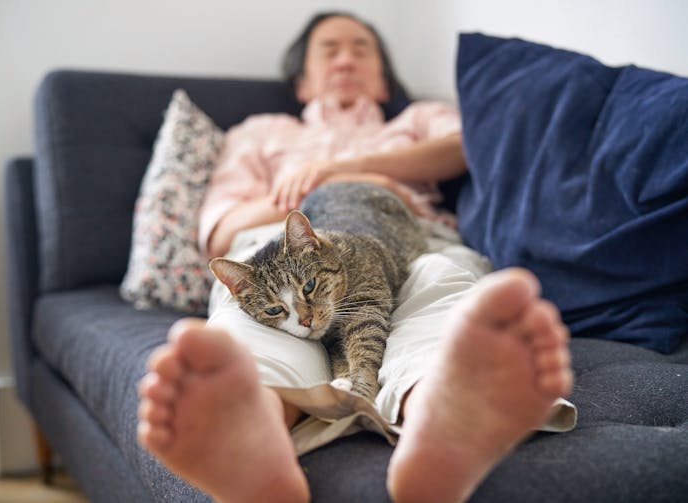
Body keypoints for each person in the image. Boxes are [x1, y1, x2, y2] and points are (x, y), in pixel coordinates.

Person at [136, 12, 575, 503]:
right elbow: (219, 231)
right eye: (329, 49)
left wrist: (358, 168)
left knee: (444, 280)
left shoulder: (417, 120)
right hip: (278, 247)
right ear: (302, 83)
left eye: (361, 49)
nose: (346, 59)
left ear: (384, 79)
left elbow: (467, 146)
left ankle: (439, 409)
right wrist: (311, 189)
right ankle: (251, 431)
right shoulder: (259, 132)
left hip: (415, 237)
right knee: (247, 328)